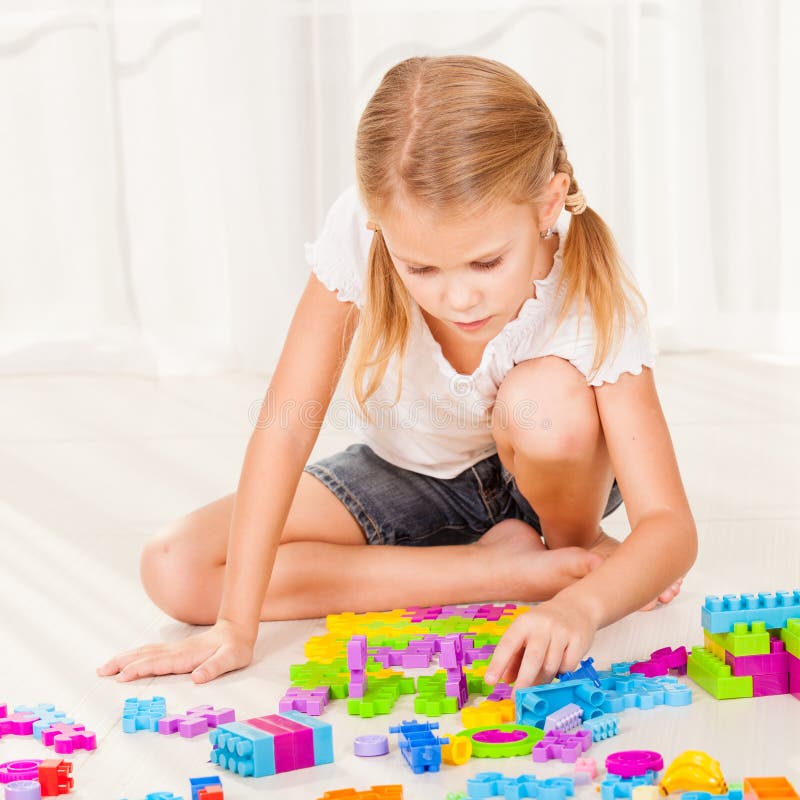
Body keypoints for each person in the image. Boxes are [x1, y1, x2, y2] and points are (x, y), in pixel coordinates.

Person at [98, 55, 696, 690]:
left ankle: (571, 552)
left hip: (548, 482)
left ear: (547, 203)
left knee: (544, 403)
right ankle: (507, 569)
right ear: (379, 228)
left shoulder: (591, 285)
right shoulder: (362, 230)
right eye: (422, 270)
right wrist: (234, 627)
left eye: (486, 262)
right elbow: (286, 425)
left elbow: (669, 525)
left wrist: (583, 606)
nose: (459, 298)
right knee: (174, 566)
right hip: (407, 474)